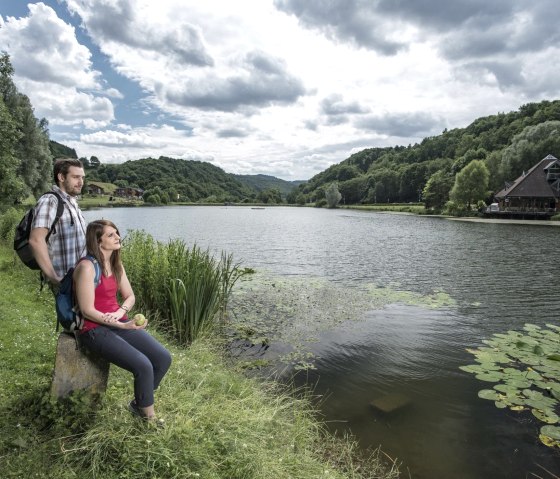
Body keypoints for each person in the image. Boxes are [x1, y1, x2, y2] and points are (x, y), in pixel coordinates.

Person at [73, 220, 172, 422]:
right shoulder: (86, 268)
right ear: (97, 241)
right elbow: (87, 310)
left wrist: (121, 312)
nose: (118, 237)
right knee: (143, 365)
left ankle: (140, 402)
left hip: (118, 322)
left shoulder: (116, 264)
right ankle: (148, 418)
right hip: (93, 329)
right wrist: (120, 324)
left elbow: (130, 296)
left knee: (162, 358)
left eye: (116, 233)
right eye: (111, 235)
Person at [29, 158, 87, 287]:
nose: (81, 182)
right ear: (61, 177)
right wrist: (54, 278)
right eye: (76, 177)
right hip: (65, 280)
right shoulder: (50, 201)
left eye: (82, 177)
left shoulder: (71, 202)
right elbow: (36, 240)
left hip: (81, 278)